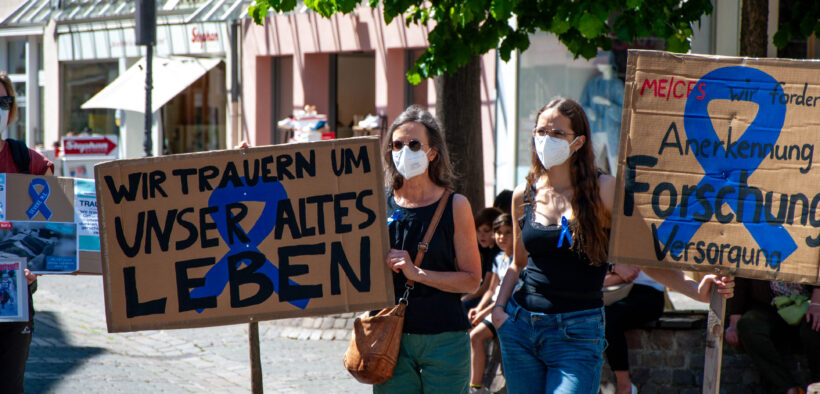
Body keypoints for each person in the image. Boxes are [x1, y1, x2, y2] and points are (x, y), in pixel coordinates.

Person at [490, 97, 733, 394]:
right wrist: (499, 310)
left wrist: (694, 289)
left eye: (556, 133)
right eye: (540, 132)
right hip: (520, 326)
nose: (545, 139)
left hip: (577, 332)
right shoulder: (522, 194)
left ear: (578, 142)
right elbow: (518, 263)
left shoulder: (605, 189)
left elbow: (644, 256)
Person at [377, 105, 482, 393]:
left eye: (414, 144)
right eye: (397, 144)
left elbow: (473, 279)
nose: (404, 151)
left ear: (432, 152)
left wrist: (417, 273)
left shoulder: (455, 205)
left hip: (444, 341)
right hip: (388, 340)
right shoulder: (375, 204)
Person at [0, 70, 53, 394]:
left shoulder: (26, 160)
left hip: (12, 297)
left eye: (3, 101)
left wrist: (39, 265)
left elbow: (56, 224)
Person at [724, 278, 820, 394]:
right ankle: (787, 388)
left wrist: (817, 302)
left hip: (809, 302)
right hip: (769, 306)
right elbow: (741, 274)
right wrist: (734, 323)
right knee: (748, 326)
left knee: (814, 327)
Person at [603, 265, 665, 394]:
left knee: (609, 320)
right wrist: (614, 268)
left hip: (647, 292)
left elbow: (631, 272)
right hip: (611, 291)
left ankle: (625, 387)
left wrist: (612, 273)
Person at [468, 214, 513, 392]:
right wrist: (477, 309)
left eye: (507, 233)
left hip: (507, 310)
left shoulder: (517, 261)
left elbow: (506, 294)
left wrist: (483, 312)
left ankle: (477, 385)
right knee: (473, 333)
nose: (502, 237)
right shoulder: (499, 258)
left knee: (476, 336)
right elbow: (491, 290)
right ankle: (476, 384)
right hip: (493, 309)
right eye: (498, 233)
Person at [462, 207, 502, 310]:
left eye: (486, 230)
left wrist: (464, 299)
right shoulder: (485, 248)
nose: (481, 235)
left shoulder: (497, 252)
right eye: (478, 231)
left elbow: (486, 287)